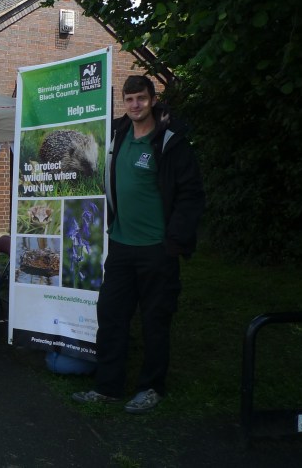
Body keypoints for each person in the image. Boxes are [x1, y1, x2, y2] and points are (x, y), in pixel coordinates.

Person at [72, 75, 204, 414]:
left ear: (152, 99)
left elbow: (190, 195)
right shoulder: (117, 134)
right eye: (129, 99)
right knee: (111, 316)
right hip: (120, 245)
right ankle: (108, 387)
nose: (135, 105)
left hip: (157, 249)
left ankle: (151, 387)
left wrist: (174, 240)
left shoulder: (171, 140)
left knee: (155, 320)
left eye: (141, 99)